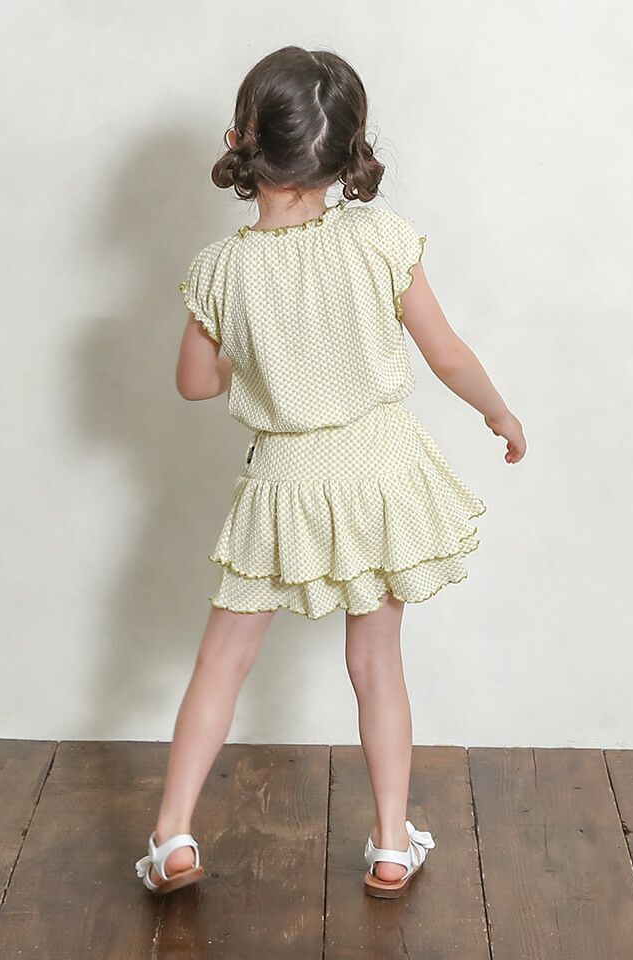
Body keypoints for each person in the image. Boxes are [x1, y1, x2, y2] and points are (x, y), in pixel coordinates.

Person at [134, 45, 526, 900]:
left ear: (241, 140)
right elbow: (446, 352)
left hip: (283, 481)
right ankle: (389, 843)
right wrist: (497, 412)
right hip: (378, 473)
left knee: (222, 661)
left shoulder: (221, 269)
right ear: (350, 150)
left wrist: (250, 357)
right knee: (377, 661)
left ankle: (173, 835)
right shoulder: (380, 238)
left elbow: (194, 384)